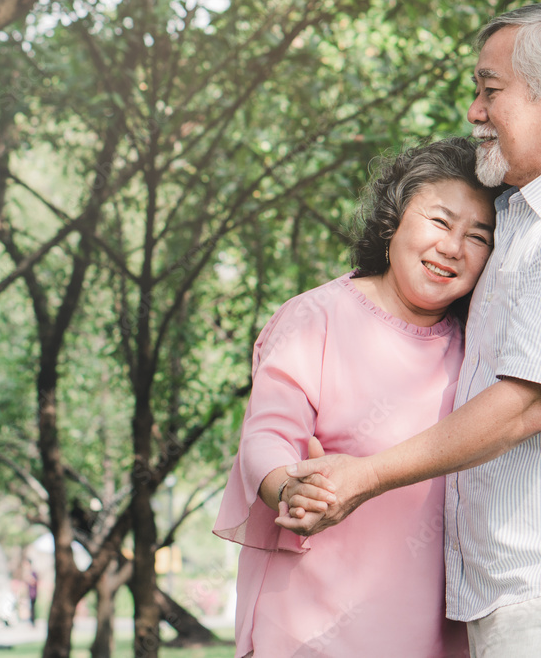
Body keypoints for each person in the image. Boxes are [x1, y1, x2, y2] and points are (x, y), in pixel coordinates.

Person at [279, 0, 541, 656]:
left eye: (488, 89)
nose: (473, 111)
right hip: (522, 600)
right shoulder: (523, 220)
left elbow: (524, 405)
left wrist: (364, 475)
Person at [212, 137, 500, 657]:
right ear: (393, 219)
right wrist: (290, 490)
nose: (452, 248)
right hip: (312, 626)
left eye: (477, 237)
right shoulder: (314, 317)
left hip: (434, 630)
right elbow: (267, 436)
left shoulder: (479, 348)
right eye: (439, 222)